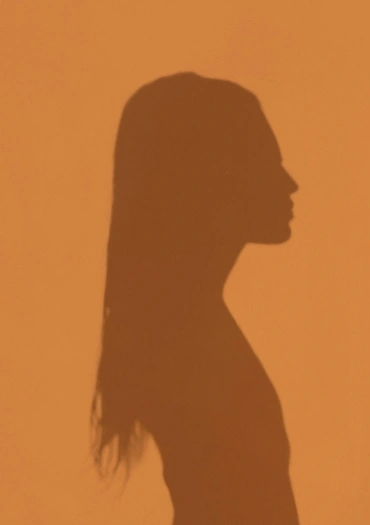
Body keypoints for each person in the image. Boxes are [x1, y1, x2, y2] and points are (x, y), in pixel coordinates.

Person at [91, 72, 299, 524]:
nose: (290, 184)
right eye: (268, 162)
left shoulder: (186, 328)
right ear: (215, 176)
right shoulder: (187, 342)